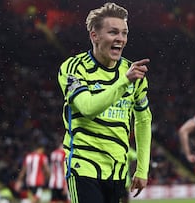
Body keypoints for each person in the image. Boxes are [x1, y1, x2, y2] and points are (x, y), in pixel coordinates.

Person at [57, 2, 152, 203]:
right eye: (113, 32)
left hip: (117, 171)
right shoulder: (74, 68)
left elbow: (143, 120)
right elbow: (88, 108)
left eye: (124, 33)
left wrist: (142, 169)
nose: (121, 39)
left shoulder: (132, 72)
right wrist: (124, 81)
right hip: (84, 166)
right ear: (95, 36)